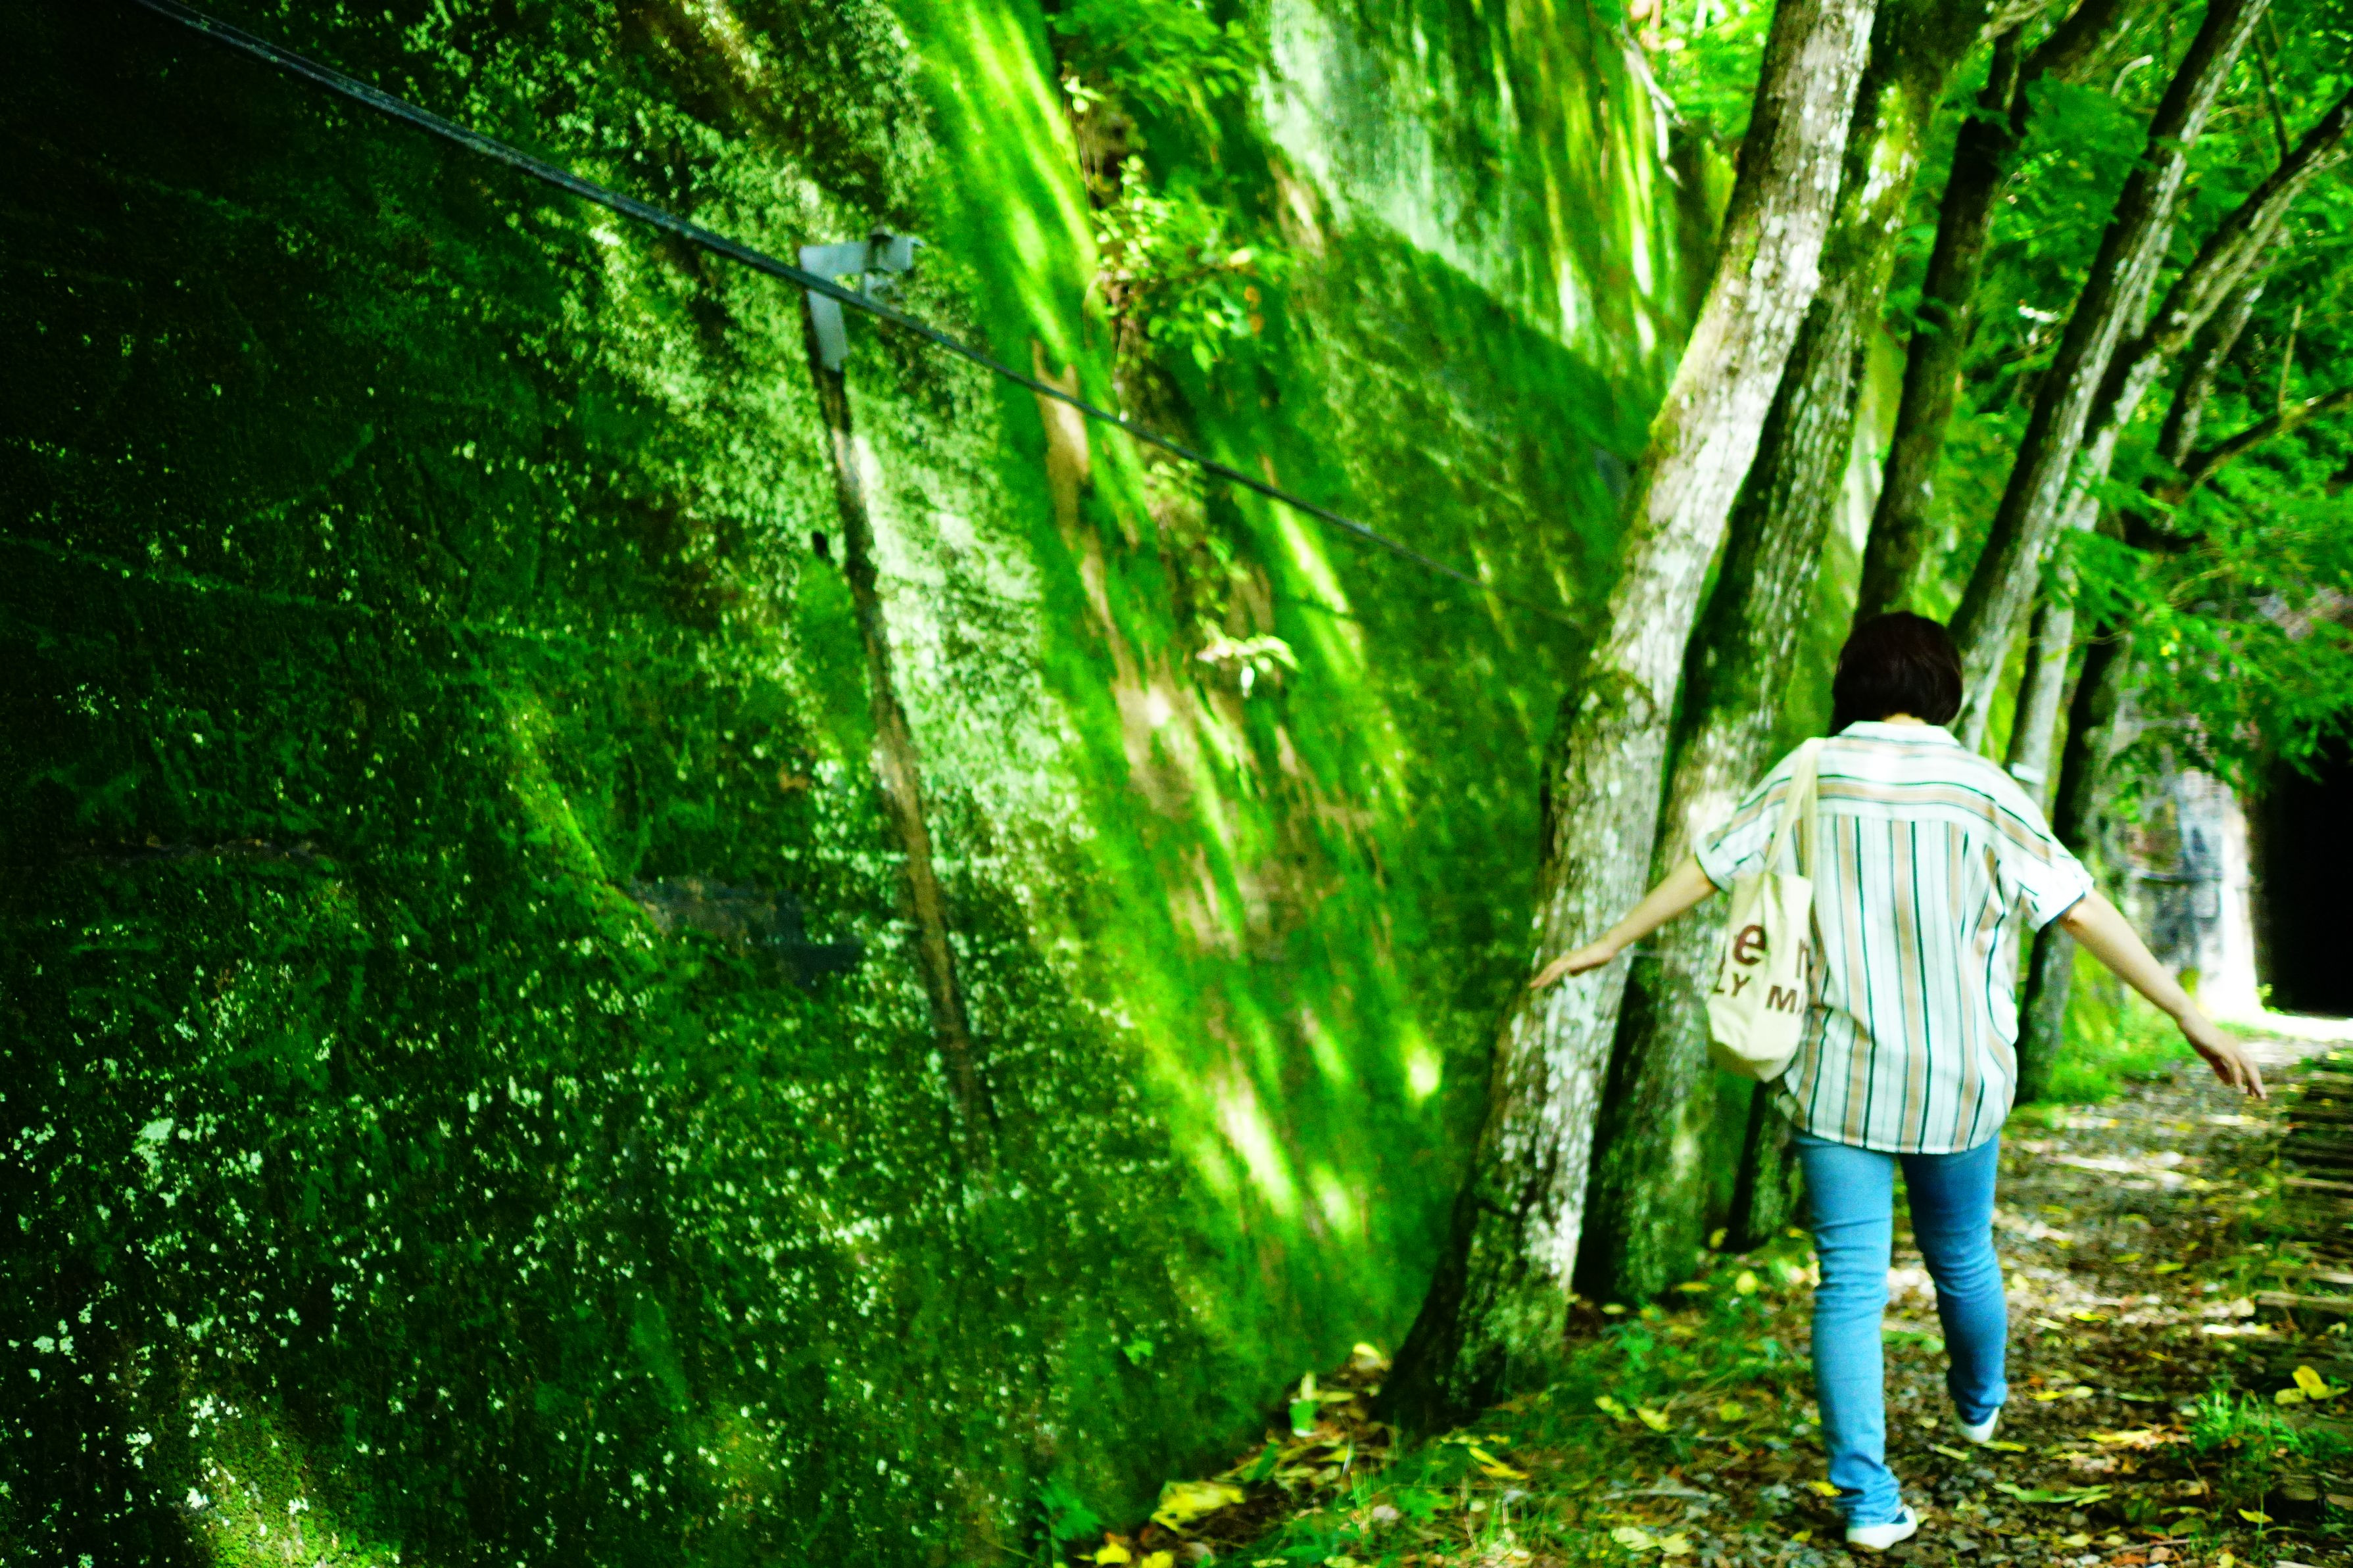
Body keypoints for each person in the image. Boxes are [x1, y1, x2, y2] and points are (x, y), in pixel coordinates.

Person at [1532, 612, 2266, 1551]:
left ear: (1853, 681)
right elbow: (2079, 910)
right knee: (1961, 1255)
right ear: (1945, 685)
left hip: (1837, 1074)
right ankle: (1980, 1398)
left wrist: (1607, 942)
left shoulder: (1809, 770)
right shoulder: (1983, 788)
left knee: (1847, 1286)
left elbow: (1710, 868)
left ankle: (1868, 1503)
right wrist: (2187, 1013)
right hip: (1959, 1079)